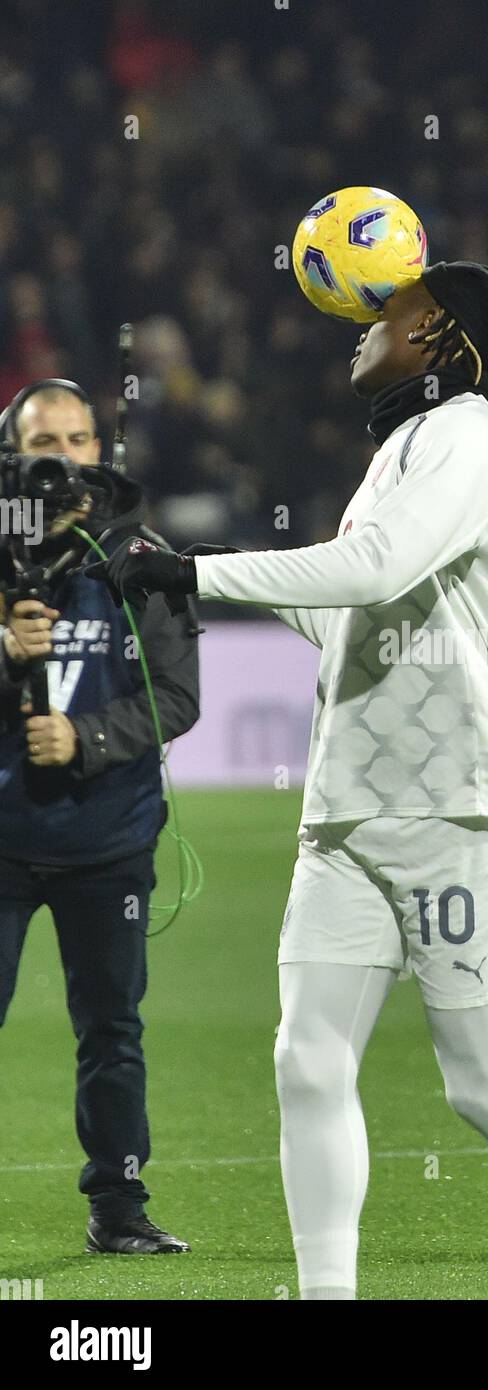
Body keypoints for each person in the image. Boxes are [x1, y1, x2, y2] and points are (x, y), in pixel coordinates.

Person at [89, 262, 488, 1300]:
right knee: (305, 1059)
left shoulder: (473, 435)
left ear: (436, 336)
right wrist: (187, 569)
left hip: (454, 803)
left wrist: (201, 570)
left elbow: (373, 568)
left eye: (386, 314)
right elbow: (347, 604)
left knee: (481, 1083)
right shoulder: (398, 449)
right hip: (346, 809)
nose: (359, 330)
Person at [0, 380, 199, 1254]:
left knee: (112, 1030)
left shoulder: (140, 554)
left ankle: (118, 1208)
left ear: (100, 449)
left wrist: (80, 737)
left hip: (109, 842)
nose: (64, 456)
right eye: (44, 440)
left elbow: (178, 697)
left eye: (79, 438)